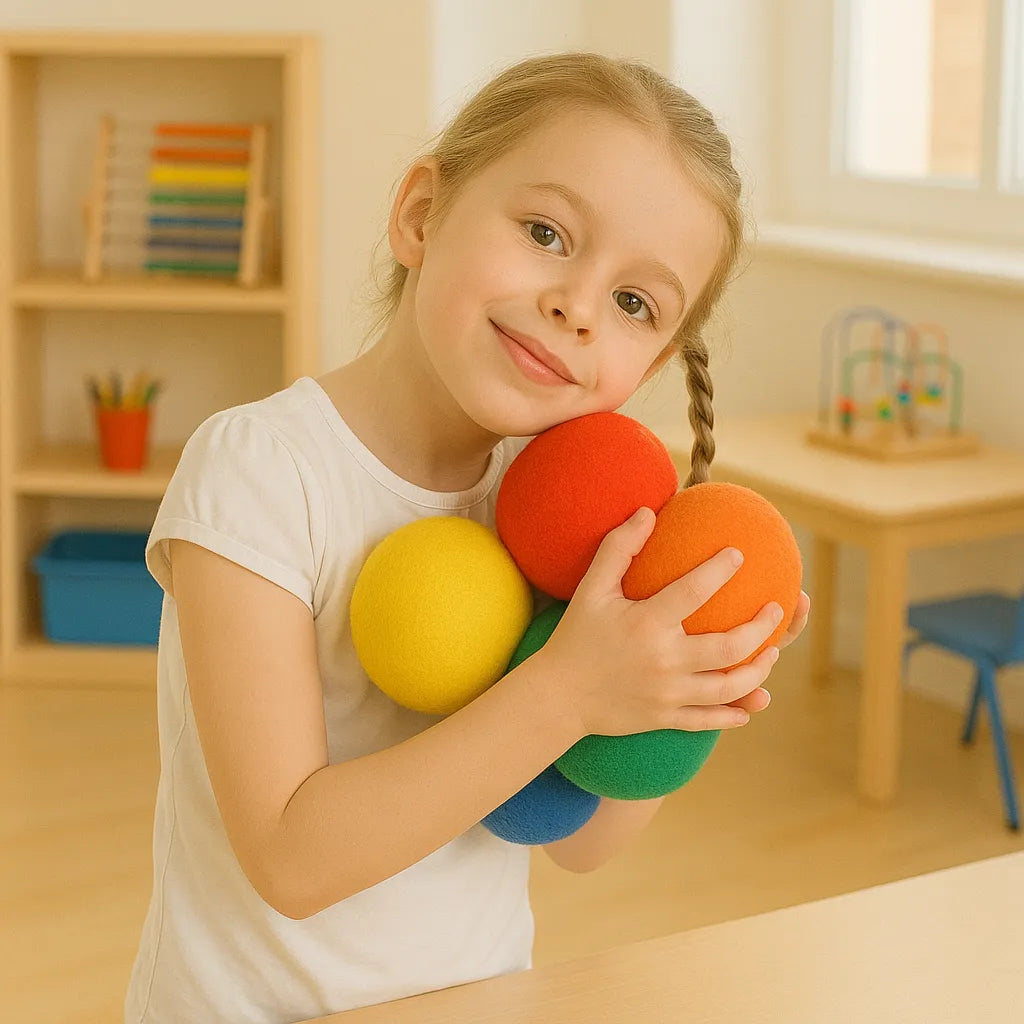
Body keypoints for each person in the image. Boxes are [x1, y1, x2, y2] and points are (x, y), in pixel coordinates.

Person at [124, 51, 810, 1023]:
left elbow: (581, 840)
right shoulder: (259, 470)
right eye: (545, 232)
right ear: (420, 213)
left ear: (651, 360)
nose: (576, 305)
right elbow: (289, 856)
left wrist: (681, 686)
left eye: (633, 302)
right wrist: (570, 684)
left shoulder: (577, 522)